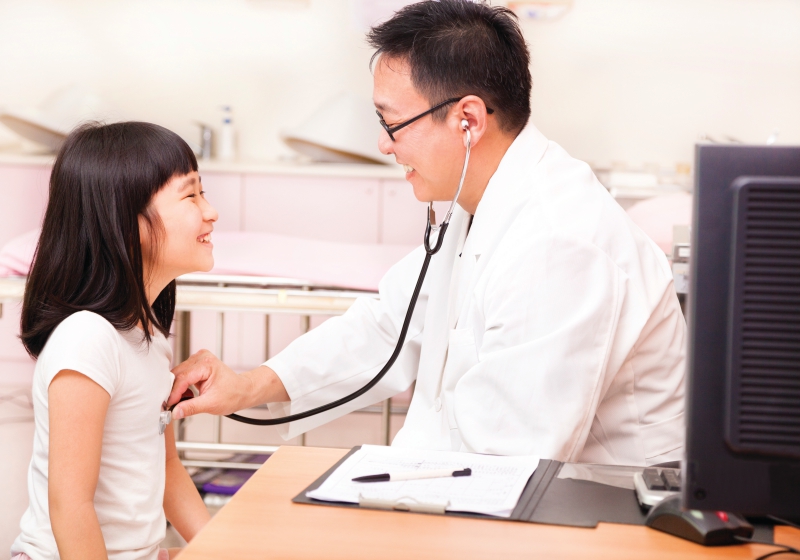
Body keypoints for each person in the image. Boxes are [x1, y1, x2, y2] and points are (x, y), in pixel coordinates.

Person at [169, 0, 686, 465]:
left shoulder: (559, 243)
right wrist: (246, 386)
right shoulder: (481, 203)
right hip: (482, 492)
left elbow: (508, 459)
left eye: (392, 124)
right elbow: (387, 327)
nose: (384, 145)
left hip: (593, 517)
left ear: (468, 121)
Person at [12, 122, 216, 560]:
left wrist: (223, 549)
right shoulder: (87, 340)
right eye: (191, 195)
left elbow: (166, 467)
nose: (210, 211)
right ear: (126, 221)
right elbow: (71, 506)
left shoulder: (147, 338)